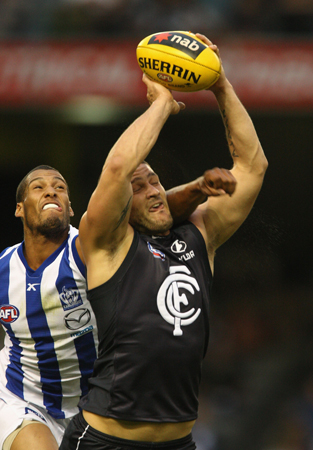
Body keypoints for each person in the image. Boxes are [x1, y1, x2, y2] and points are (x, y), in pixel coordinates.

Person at [59, 34, 268, 450]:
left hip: (178, 441)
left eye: (155, 180)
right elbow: (119, 167)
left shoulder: (198, 235)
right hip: (104, 439)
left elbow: (253, 166)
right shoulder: (105, 241)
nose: (153, 189)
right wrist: (162, 103)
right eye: (140, 186)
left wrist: (220, 84)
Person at [0, 165, 224, 449]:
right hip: (22, 400)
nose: (50, 190)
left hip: (92, 408)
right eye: (38, 187)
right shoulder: (3, 269)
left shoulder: (93, 248)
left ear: (70, 209)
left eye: (59, 186)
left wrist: (198, 189)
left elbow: (153, 210)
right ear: (20, 208)